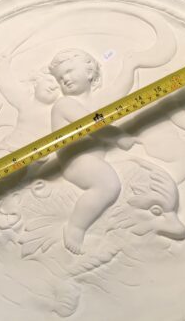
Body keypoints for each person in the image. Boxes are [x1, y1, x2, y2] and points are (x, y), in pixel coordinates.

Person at [49, 49, 136, 254]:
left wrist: (131, 65)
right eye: (60, 78)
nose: (64, 79)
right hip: (75, 160)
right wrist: (118, 137)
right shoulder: (64, 104)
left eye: (69, 71)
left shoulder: (94, 102)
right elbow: (93, 126)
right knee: (108, 185)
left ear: (89, 73)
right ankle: (75, 227)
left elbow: (119, 92)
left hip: (92, 159)